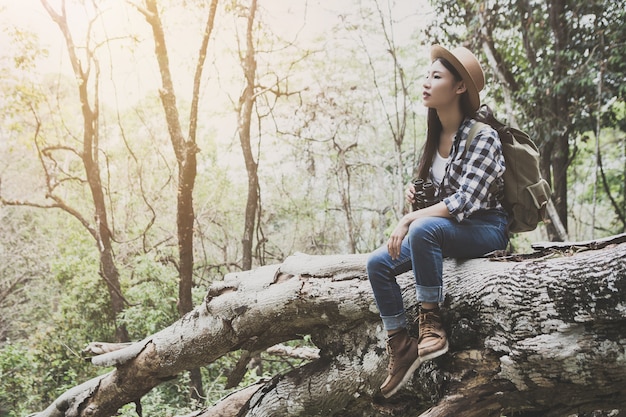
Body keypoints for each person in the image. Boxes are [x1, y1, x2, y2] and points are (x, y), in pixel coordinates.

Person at [367, 45, 509, 398]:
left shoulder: (483, 136)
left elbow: (466, 202)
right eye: (426, 75)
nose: (426, 82)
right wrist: (417, 198)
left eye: (436, 76)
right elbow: (443, 198)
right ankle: (401, 345)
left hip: (487, 228)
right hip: (449, 231)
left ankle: (431, 325)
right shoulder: (436, 135)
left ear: (460, 87)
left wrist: (412, 217)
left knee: (423, 228)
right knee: (377, 264)